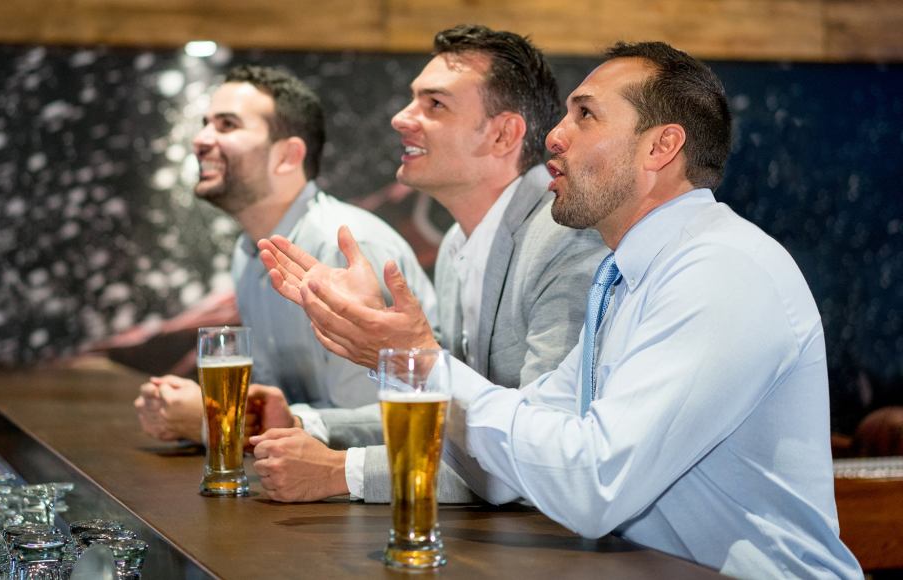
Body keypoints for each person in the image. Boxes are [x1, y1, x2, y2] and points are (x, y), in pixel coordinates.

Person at [262, 42, 863, 577]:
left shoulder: (719, 270)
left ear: (662, 146)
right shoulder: (626, 274)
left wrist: (417, 359)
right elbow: (507, 467)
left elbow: (592, 485)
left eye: (586, 114)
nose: (553, 134)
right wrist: (393, 350)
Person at [248, 25, 606, 503]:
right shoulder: (460, 242)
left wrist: (343, 471)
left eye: (434, 104)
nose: (401, 117)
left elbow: (530, 458)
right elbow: (450, 420)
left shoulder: (568, 245)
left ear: (503, 134)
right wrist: (304, 422)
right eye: (412, 99)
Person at [133, 65, 437, 443]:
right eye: (205, 123)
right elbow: (274, 401)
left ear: (289, 156)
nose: (201, 139)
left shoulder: (345, 247)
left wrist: (218, 419)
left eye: (227, 125)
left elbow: (383, 423)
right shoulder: (248, 252)